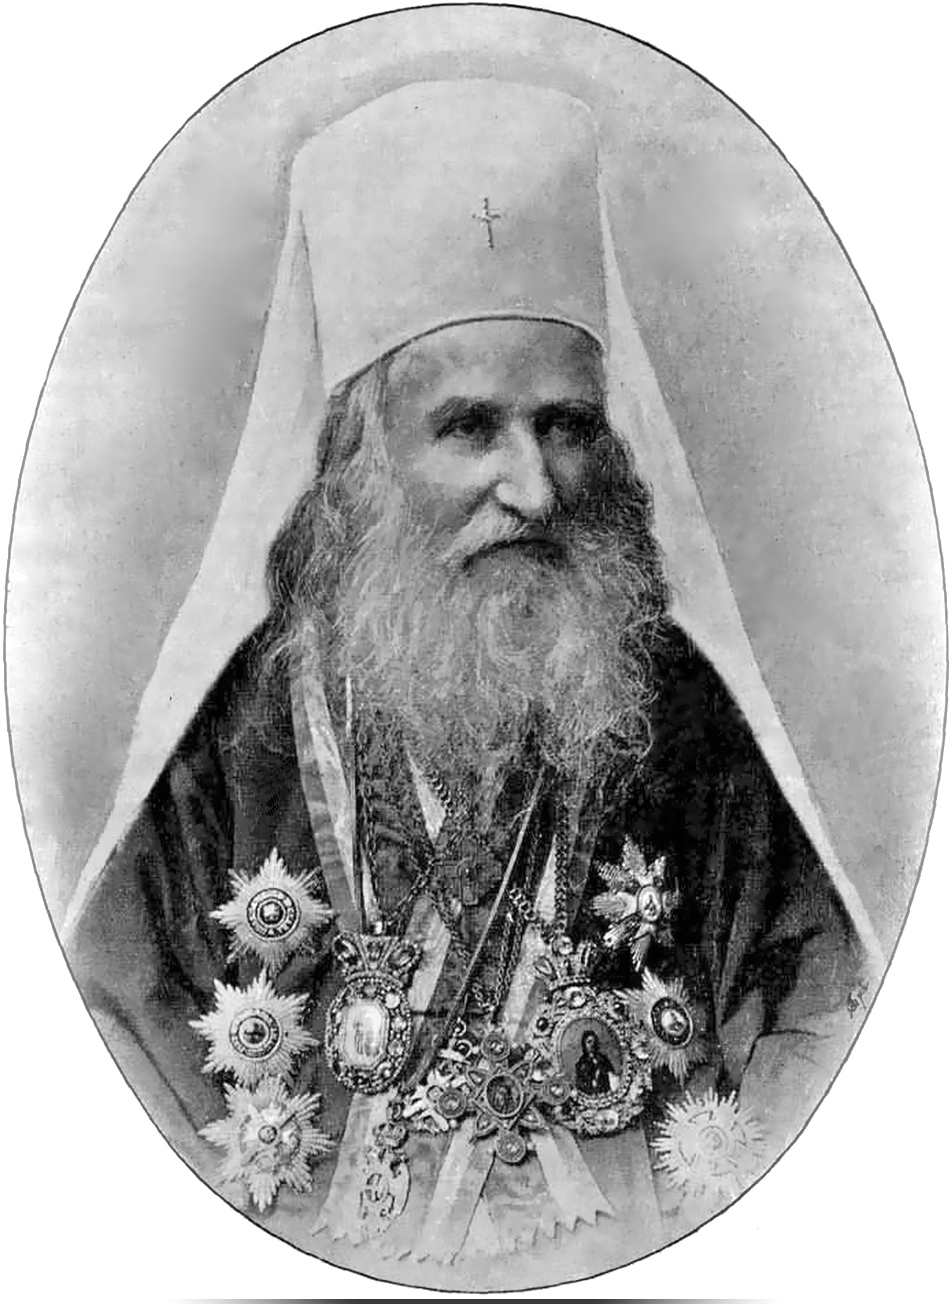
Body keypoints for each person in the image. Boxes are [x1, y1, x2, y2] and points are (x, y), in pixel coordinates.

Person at [63, 81, 874, 1289]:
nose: (535, 489)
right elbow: (118, 1041)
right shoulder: (240, 741)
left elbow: (820, 1019)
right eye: (470, 428)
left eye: (566, 425)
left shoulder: (683, 719)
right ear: (359, 457)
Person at [575, 1031, 616, 1097]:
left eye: (594, 1042)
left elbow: (612, 1074)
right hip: (589, 1095)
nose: (592, 1045)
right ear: (584, 1044)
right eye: (589, 1042)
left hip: (605, 1094)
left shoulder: (603, 1059)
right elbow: (580, 1084)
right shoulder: (581, 1063)